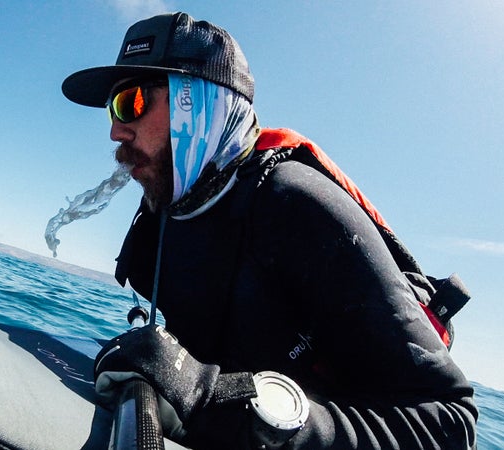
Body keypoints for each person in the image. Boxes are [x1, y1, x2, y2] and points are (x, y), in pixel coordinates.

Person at [61, 12, 478, 449]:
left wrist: (211, 401)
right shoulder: (168, 221)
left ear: (197, 100)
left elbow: (449, 423)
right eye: (113, 108)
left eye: (131, 102)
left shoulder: (296, 205)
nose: (114, 129)